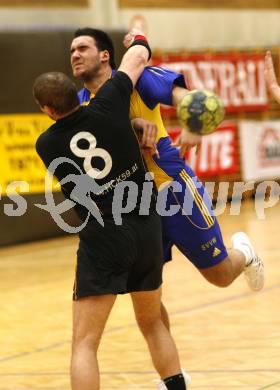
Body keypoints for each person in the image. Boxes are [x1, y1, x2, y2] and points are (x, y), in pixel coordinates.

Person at [34, 36, 187, 390]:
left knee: (85, 344)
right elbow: (136, 57)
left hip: (104, 233)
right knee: (152, 323)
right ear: (77, 94)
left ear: (47, 110)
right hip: (147, 225)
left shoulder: (47, 143)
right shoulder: (111, 101)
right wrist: (140, 39)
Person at [70, 27, 264, 297]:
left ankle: (244, 253)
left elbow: (194, 101)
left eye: (82, 48)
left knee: (219, 276)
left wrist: (194, 124)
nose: (75, 55)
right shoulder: (80, 105)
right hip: (135, 206)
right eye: (71, 51)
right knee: (144, 296)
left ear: (104, 55)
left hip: (172, 188)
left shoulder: (138, 80)